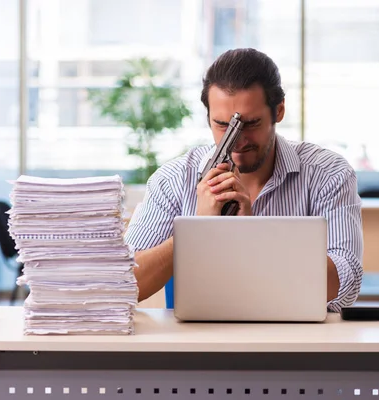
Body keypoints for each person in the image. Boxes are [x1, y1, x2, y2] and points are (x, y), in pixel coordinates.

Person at [124, 48, 363, 312]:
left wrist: (253, 235)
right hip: (200, 347)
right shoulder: (173, 180)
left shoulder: (327, 174)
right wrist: (196, 230)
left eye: (250, 124)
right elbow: (122, 285)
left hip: (297, 345)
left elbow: (345, 286)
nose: (237, 142)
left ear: (279, 111)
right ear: (207, 118)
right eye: (222, 124)